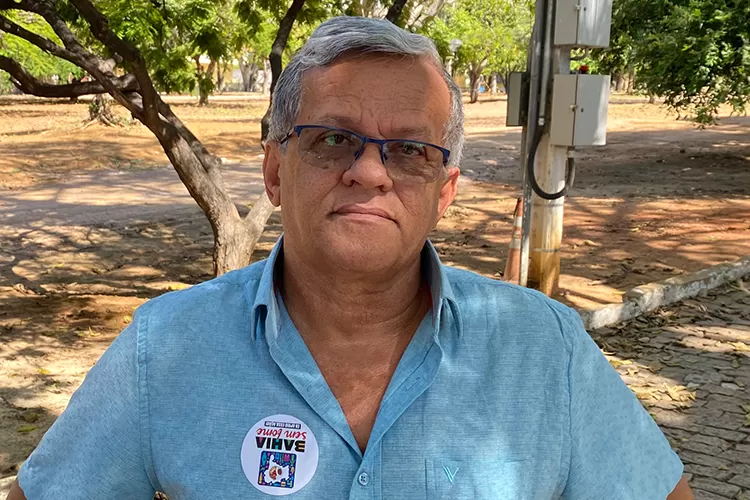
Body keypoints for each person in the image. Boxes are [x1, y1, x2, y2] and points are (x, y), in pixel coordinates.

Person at [8, 16, 693, 500]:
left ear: (444, 191)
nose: (369, 172)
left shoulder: (544, 348)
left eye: (410, 150)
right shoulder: (164, 348)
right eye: (333, 139)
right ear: (274, 170)